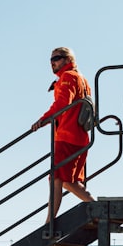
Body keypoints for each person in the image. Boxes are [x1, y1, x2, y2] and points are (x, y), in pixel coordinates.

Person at [31, 47, 95, 221]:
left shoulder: (68, 77)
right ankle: (96, 206)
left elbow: (62, 104)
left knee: (56, 178)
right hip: (80, 138)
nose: (52, 62)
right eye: (51, 59)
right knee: (69, 181)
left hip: (67, 136)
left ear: (68, 60)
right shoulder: (82, 79)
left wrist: (43, 120)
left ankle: (48, 224)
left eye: (57, 58)